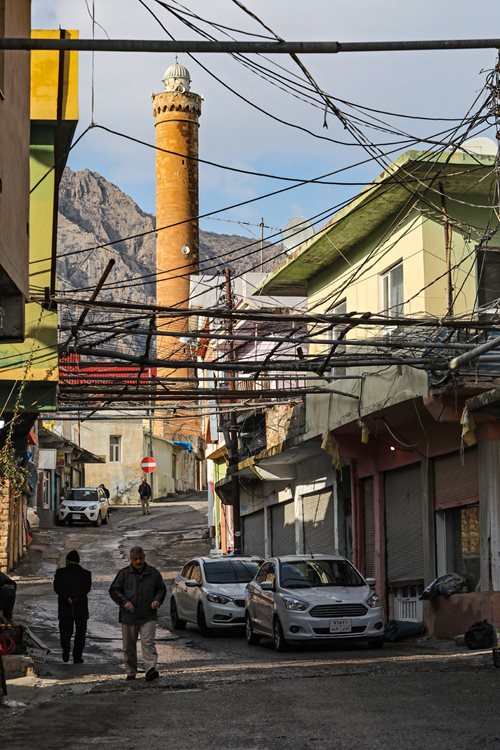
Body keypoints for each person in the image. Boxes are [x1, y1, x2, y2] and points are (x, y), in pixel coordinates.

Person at [109, 545, 166, 682]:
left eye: (140, 558)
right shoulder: (124, 574)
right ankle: (130, 672)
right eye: (135, 559)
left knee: (148, 643)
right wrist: (124, 602)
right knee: (129, 646)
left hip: (148, 615)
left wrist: (157, 600)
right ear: (131, 559)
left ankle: (150, 669)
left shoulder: (153, 573)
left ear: (144, 557)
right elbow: (114, 590)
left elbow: (161, 589)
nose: (138, 562)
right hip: (129, 616)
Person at [53, 550, 92, 664]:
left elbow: (57, 588)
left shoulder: (60, 573)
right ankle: (77, 657)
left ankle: (66, 647)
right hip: (81, 606)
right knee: (80, 633)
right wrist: (76, 598)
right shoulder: (86, 573)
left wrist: (67, 598)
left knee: (65, 630)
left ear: (68, 561)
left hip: (65, 606)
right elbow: (86, 589)